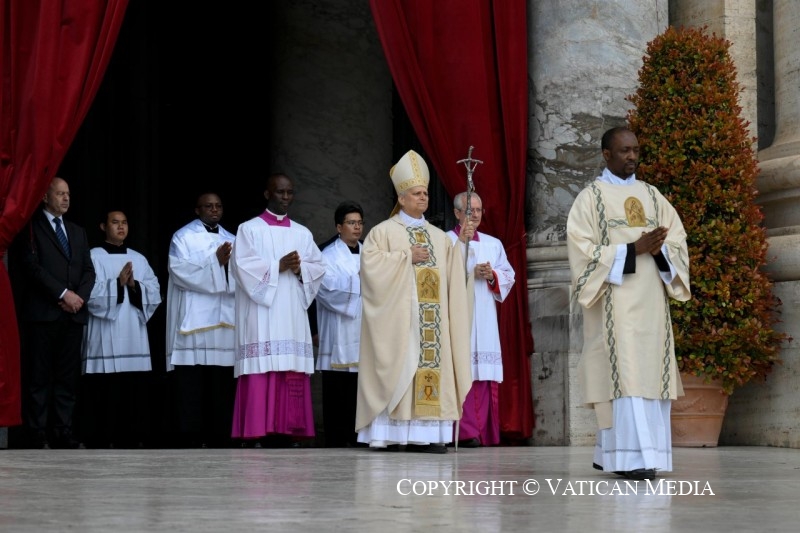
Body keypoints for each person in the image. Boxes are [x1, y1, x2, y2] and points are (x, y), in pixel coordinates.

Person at [566, 126, 691, 481]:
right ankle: (629, 458)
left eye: (636, 150)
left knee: (649, 376)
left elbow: (678, 240)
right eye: (624, 151)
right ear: (606, 154)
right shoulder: (590, 198)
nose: (632, 156)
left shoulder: (652, 196)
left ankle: (643, 455)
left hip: (651, 301)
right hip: (614, 303)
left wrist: (661, 248)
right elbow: (580, 251)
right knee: (625, 377)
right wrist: (631, 250)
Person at [355, 150, 472, 454]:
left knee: (430, 371)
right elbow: (370, 270)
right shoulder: (383, 232)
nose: (423, 198)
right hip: (400, 325)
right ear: (402, 198)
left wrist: (462, 246)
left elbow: (453, 279)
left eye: (425, 193)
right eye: (417, 193)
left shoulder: (439, 237)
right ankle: (391, 434)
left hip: (432, 327)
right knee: (401, 370)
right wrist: (405, 257)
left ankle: (428, 435)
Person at [230, 173, 325, 446]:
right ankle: (256, 432)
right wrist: (277, 267)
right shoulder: (248, 229)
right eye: (280, 192)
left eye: (289, 193)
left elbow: (317, 268)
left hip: (292, 311)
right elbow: (242, 267)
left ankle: (290, 430)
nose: (285, 197)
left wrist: (299, 268)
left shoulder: (302, 233)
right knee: (261, 368)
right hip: (261, 313)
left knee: (290, 367)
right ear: (267, 194)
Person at [9, 177, 96, 449]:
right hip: (43, 314)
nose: (66, 198)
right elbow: (32, 268)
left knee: (67, 378)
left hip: (73, 315)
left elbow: (88, 270)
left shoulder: (77, 231)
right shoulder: (31, 228)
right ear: (45, 197)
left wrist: (78, 297)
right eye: (60, 194)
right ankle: (37, 433)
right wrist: (63, 294)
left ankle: (63, 431)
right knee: (39, 377)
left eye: (68, 194)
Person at [80, 210, 162, 448]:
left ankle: (132, 435)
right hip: (103, 332)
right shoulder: (93, 256)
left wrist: (135, 286)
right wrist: (116, 284)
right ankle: (101, 437)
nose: (121, 227)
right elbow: (88, 292)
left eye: (124, 222)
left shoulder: (138, 258)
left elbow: (155, 291)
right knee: (104, 390)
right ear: (103, 226)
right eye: (115, 222)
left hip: (133, 332)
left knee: (131, 389)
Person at [165, 192, 237, 448]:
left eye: (218, 206)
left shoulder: (233, 239)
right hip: (194, 321)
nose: (214, 210)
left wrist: (226, 267)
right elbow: (179, 271)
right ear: (197, 210)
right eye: (208, 206)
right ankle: (190, 436)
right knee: (192, 383)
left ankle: (221, 435)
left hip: (224, 321)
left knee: (221, 383)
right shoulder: (183, 237)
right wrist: (214, 262)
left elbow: (242, 275)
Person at [447, 191, 515, 447]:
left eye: (478, 210)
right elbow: (439, 277)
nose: (474, 215)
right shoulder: (447, 241)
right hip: (459, 317)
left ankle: (484, 431)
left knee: (483, 373)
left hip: (485, 318)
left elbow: (509, 275)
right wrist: (468, 272)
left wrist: (491, 275)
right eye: (469, 210)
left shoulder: (492, 243)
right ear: (456, 213)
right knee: (461, 370)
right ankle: (463, 432)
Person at [315, 201, 364, 447]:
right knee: (338, 387)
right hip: (338, 330)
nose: (357, 228)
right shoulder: (327, 255)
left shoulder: (371, 252)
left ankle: (360, 436)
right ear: (338, 226)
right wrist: (360, 282)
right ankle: (336, 437)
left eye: (359, 223)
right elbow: (324, 289)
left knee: (361, 387)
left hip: (365, 330)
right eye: (351, 223)